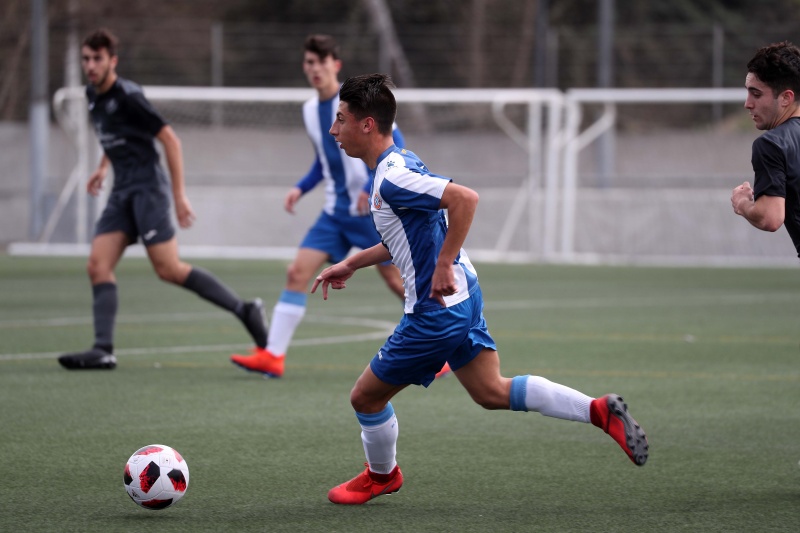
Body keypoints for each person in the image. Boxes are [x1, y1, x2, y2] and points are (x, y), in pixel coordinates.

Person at [310, 74, 649, 505]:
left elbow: (465, 199)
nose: (333, 130)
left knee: (365, 397)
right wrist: (353, 262)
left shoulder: (392, 179)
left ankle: (382, 476)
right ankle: (597, 411)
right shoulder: (398, 165)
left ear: (367, 124)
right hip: (464, 297)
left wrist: (442, 264)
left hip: (436, 311)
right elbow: (407, 236)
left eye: (340, 120)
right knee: (490, 391)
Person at [230, 35, 450, 379]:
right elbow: (324, 160)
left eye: (321, 62)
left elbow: (393, 142)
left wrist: (368, 186)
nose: (314, 69)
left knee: (398, 281)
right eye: (309, 62)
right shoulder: (309, 110)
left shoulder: (355, 103)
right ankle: (273, 355)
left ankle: (442, 350)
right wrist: (301, 188)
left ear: (336, 65)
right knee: (297, 273)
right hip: (334, 213)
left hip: (367, 213)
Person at [58, 29, 267, 370]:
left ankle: (245, 309)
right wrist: (102, 167)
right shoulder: (91, 94)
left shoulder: (129, 96)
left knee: (169, 269)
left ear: (113, 61)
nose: (90, 65)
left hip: (147, 190)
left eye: (97, 59)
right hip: (121, 192)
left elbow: (170, 140)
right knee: (97, 265)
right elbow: (116, 133)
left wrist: (179, 196)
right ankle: (103, 349)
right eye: (86, 59)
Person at [732, 41, 800, 258]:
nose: (747, 103)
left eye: (756, 94)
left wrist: (742, 203)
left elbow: (770, 218)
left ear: (786, 98)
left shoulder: (772, 145)